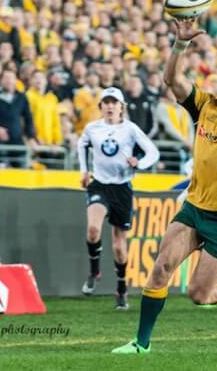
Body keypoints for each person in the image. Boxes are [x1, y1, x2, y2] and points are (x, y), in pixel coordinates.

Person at [113, 8, 217, 354]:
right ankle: (141, 344)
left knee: (200, 295)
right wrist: (179, 45)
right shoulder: (206, 105)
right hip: (194, 208)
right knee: (161, 268)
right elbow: (172, 81)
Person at [77, 86, 159, 310]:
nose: (110, 106)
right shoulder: (92, 128)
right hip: (100, 184)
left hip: (122, 188)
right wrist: (84, 171)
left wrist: (139, 163)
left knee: (119, 246)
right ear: (101, 107)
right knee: (93, 230)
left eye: (115, 103)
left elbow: (153, 152)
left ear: (121, 107)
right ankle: (95, 271)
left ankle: (121, 288)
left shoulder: (130, 129)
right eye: (107, 102)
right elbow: (81, 144)